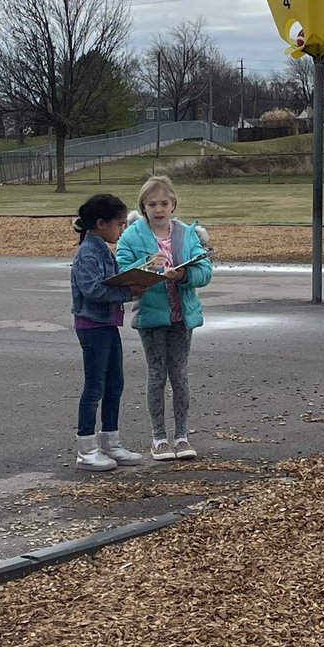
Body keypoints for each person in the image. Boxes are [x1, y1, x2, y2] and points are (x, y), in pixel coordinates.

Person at [117, 175, 212, 462]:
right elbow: (122, 272)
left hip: (182, 316)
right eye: (152, 204)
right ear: (143, 207)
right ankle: (159, 438)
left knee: (180, 375)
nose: (158, 209)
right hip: (151, 316)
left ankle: (182, 436)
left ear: (173, 204)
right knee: (157, 376)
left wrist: (185, 275)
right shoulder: (132, 236)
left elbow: (205, 270)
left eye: (164, 203)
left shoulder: (187, 233)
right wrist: (150, 267)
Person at [70, 193, 145, 472]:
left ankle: (110, 443)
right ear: (101, 224)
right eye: (120, 224)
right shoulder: (88, 252)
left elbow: (112, 279)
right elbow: (92, 290)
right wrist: (129, 291)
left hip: (107, 324)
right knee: (95, 388)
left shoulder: (101, 248)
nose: (122, 229)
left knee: (115, 384)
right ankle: (86, 449)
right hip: (92, 326)